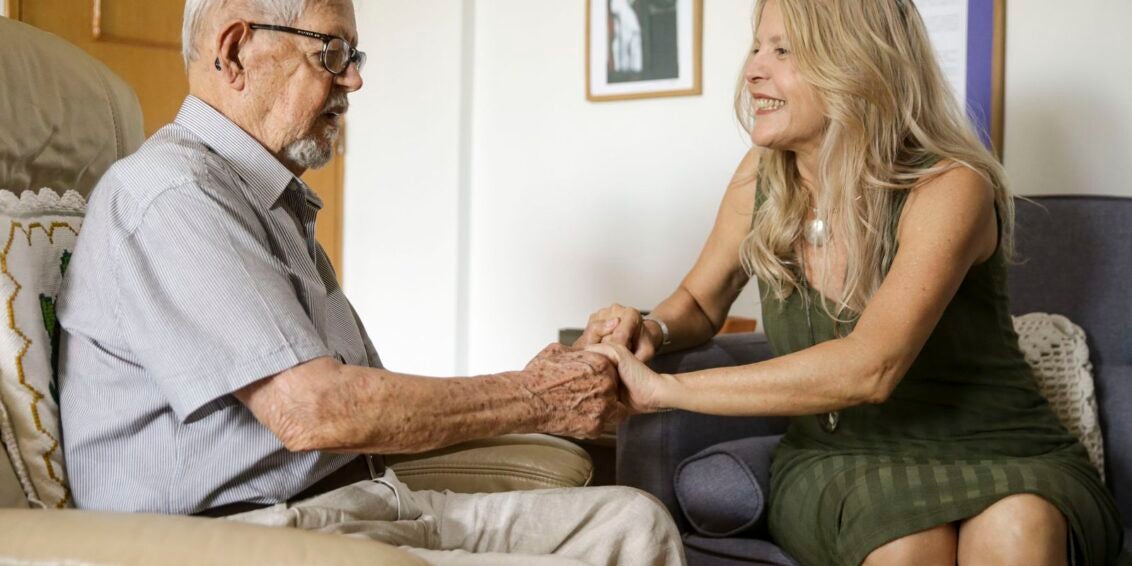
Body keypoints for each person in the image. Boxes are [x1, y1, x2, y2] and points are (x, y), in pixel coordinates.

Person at [56, 1, 684, 564]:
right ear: (235, 50)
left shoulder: (264, 199)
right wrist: (538, 397)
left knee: (633, 524)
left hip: (358, 505)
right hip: (255, 534)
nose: (353, 77)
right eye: (331, 50)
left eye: (352, 55)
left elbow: (356, 404)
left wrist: (536, 385)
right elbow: (315, 411)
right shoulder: (175, 195)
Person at [577, 0, 1123, 564]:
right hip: (841, 456)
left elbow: (873, 366)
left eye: (783, 50)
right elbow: (698, 299)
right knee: (905, 541)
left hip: (1000, 446)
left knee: (1018, 527)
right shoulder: (760, 179)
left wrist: (664, 390)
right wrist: (654, 328)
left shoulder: (950, 184)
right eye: (758, 47)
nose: (753, 69)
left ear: (858, 63)